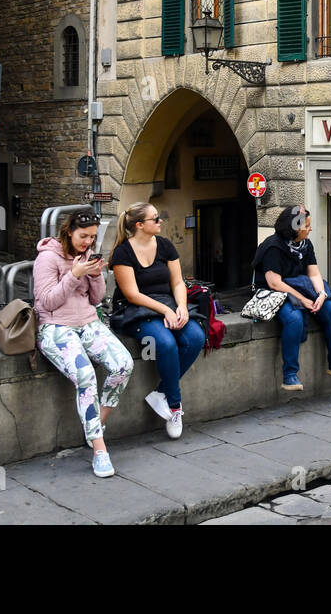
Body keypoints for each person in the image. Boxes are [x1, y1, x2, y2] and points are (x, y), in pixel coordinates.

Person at [33, 208, 133, 478]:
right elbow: (48, 301)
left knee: (123, 365)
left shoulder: (86, 255)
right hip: (56, 328)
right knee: (85, 375)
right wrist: (74, 274)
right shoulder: (47, 259)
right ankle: (99, 450)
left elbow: (96, 299)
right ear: (69, 232)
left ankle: (96, 424)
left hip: (88, 323)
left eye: (92, 237)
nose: (88, 242)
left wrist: (95, 274)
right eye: (83, 236)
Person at [109, 202, 206, 439]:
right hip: (137, 309)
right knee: (165, 344)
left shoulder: (165, 246)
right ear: (140, 225)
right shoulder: (123, 252)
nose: (160, 221)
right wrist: (165, 310)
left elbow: (177, 282)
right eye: (155, 218)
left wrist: (182, 307)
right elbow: (132, 294)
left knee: (195, 337)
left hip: (169, 304)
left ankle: (160, 392)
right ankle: (175, 406)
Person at [252, 205, 331, 392]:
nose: (310, 229)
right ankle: (290, 374)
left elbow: (314, 273)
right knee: (294, 319)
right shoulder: (273, 247)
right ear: (294, 227)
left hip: (300, 289)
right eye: (306, 226)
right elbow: (275, 283)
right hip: (278, 293)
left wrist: (321, 295)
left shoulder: (306, 245)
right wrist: (304, 300)